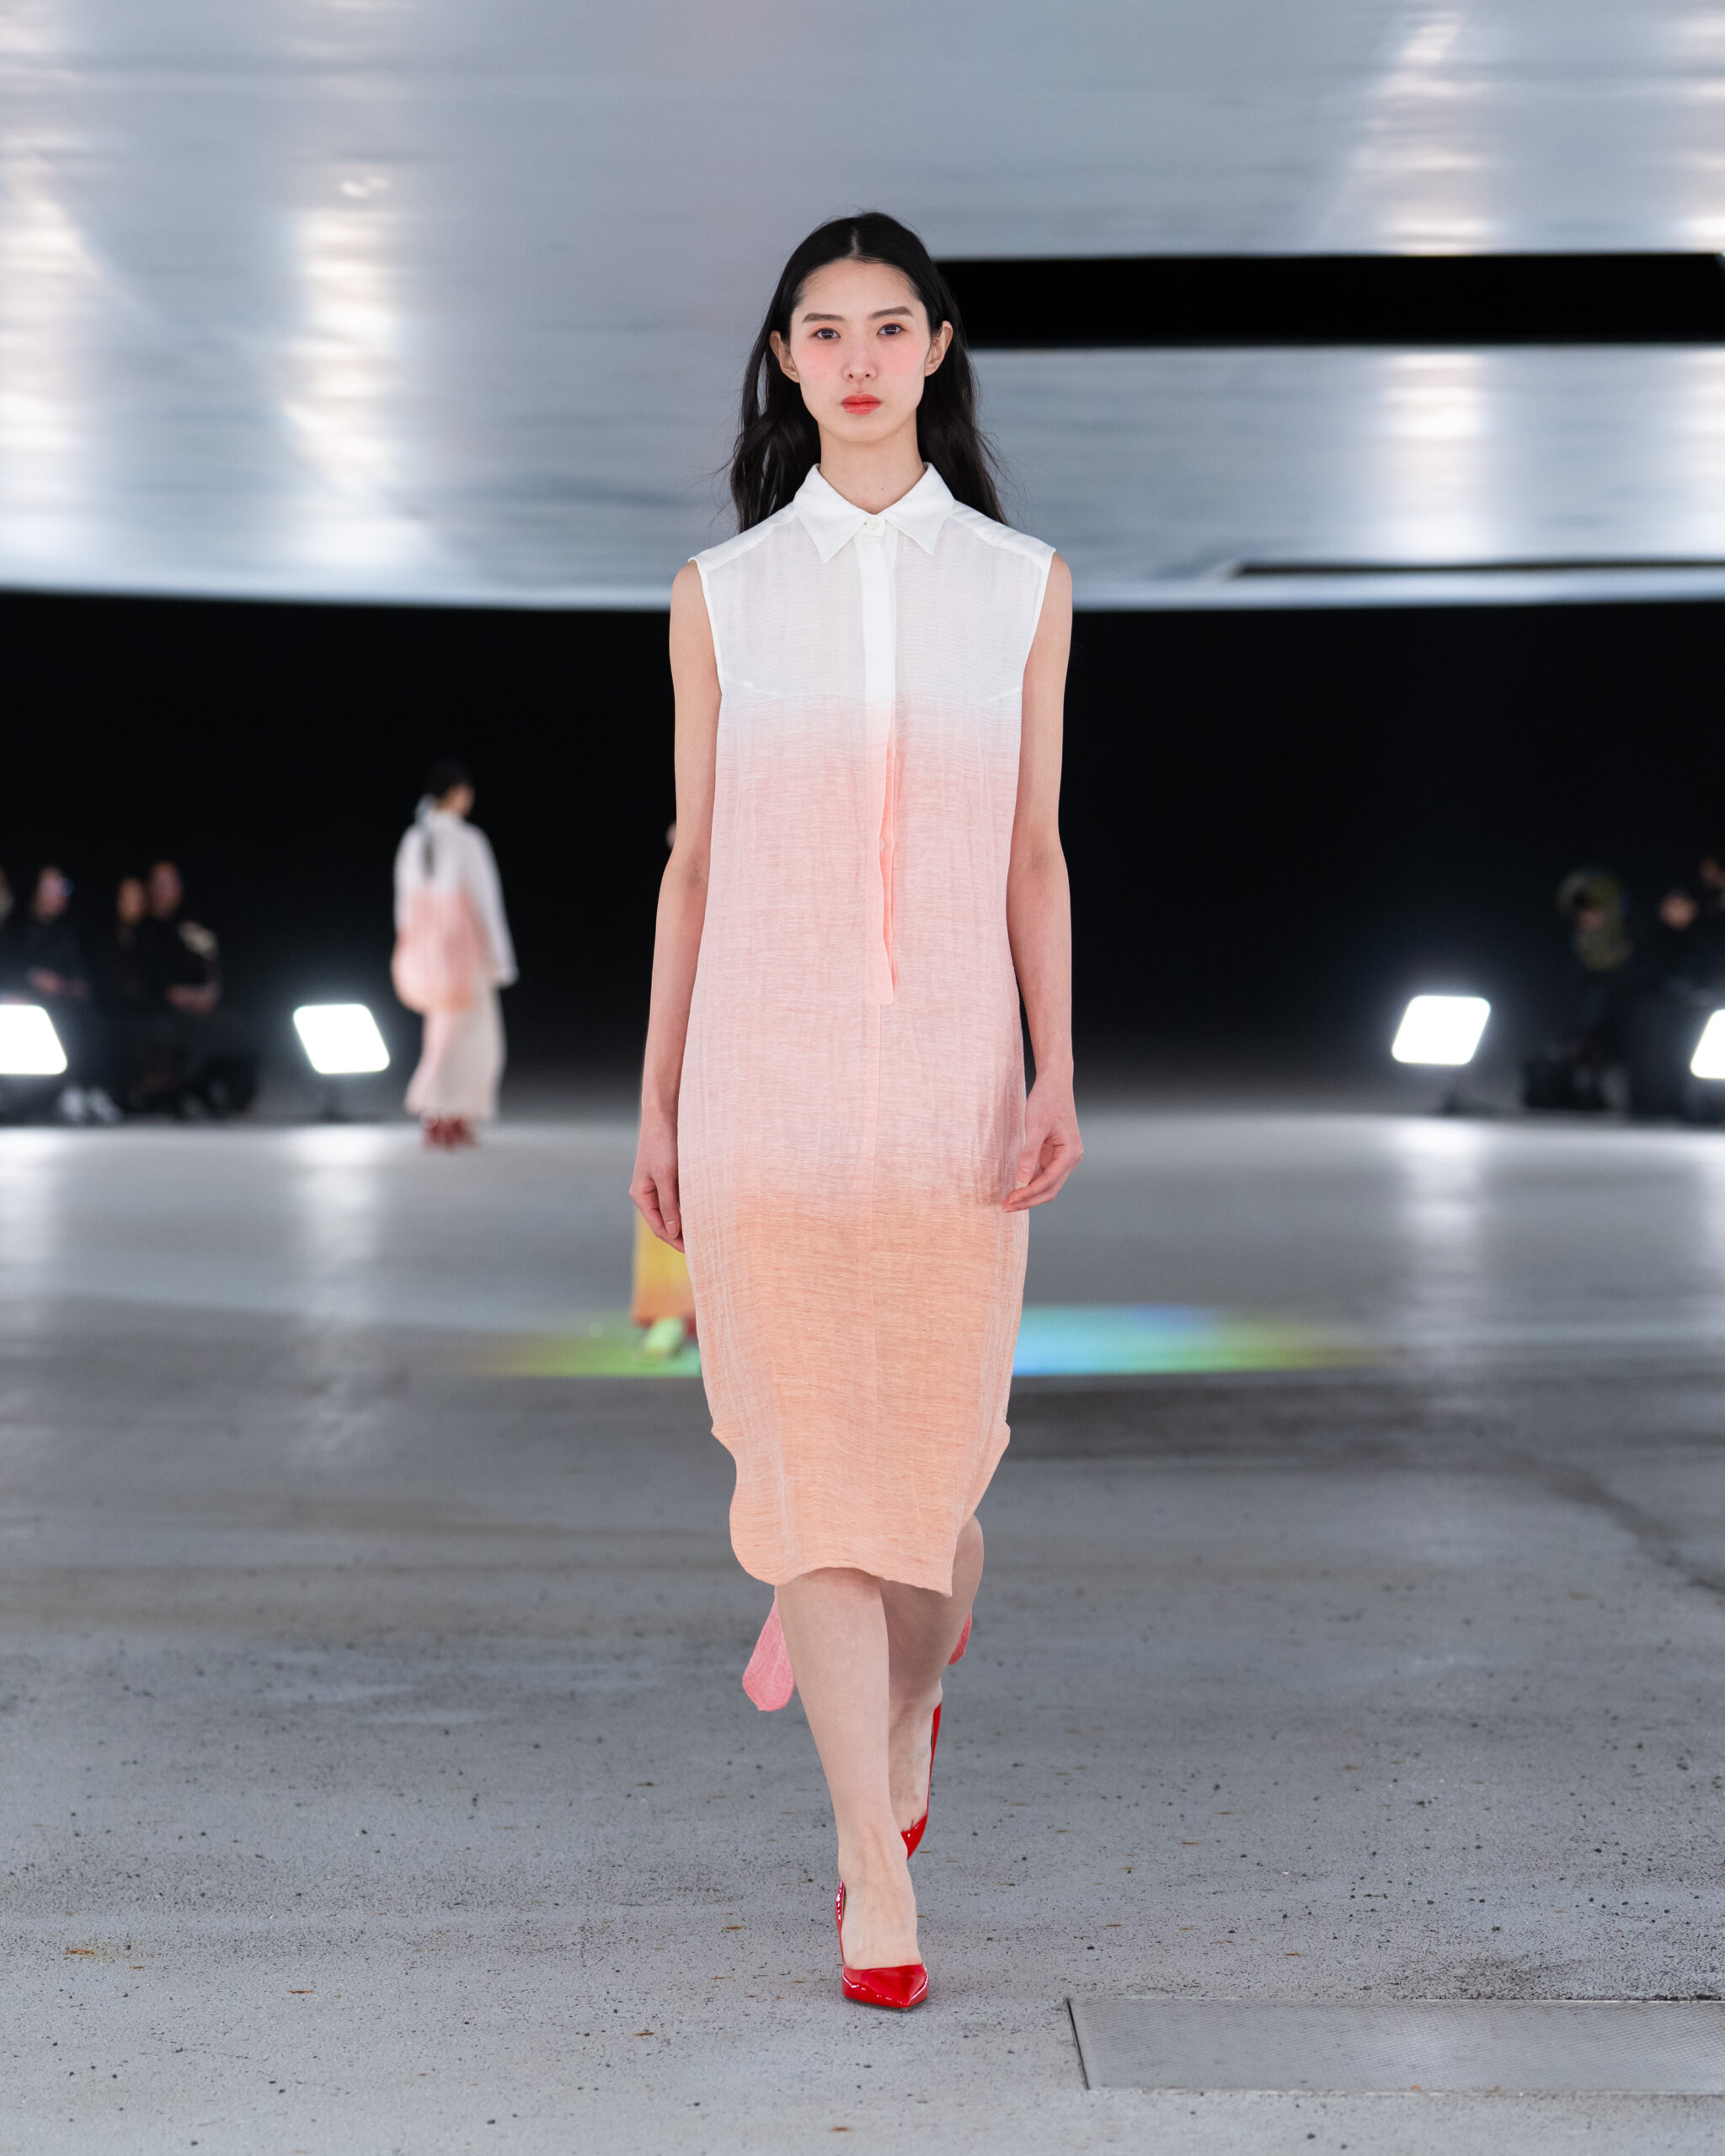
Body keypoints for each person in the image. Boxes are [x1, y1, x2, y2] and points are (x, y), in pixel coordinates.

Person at [630, 213, 1081, 2010]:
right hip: (761, 1079)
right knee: (809, 1473)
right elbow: (690, 863)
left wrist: (1054, 1064)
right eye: (822, 330)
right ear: (784, 360)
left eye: (890, 326)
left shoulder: (1022, 584)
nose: (858, 358)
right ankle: (865, 1865)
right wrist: (655, 1104)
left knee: (939, 1484)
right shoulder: (722, 592)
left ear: (938, 348)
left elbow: (1034, 853)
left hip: (954, 1090)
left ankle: (907, 1705)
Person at [393, 760, 516, 1148]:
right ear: (457, 793)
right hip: (462, 945)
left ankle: (440, 1112)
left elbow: (403, 903)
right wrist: (500, 957)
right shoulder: (466, 840)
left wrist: (409, 946)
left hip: (425, 947)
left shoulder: (414, 838)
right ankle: (446, 1109)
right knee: (475, 1033)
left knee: (443, 1027)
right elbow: (485, 901)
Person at [132, 861, 258, 1117]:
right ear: (150, 887)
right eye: (162, 883)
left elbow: (212, 961)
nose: (169, 889)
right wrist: (175, 995)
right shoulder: (142, 926)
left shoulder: (190, 922)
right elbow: (143, 976)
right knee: (180, 1036)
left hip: (199, 1002)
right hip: (161, 1006)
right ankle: (174, 1093)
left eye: (173, 882)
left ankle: (220, 1092)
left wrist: (210, 992)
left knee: (247, 1031)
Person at [7, 866, 121, 1123]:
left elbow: (79, 973)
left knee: (91, 1016)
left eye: (63, 887)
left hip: (64, 1001)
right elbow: (9, 967)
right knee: (59, 1018)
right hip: (26, 1001)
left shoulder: (68, 932)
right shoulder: (15, 927)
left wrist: (72, 985)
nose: (59, 894)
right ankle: (65, 1089)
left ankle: (91, 1087)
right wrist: (32, 978)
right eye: (51, 888)